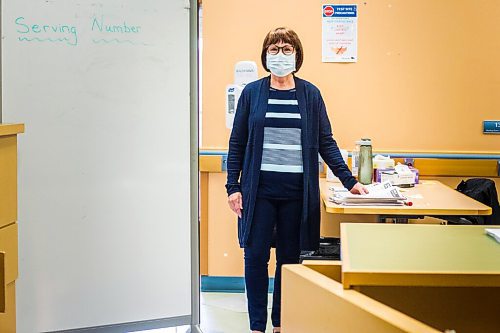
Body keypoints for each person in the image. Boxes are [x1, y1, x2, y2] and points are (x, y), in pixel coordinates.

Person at [225, 27, 368, 333]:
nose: (280, 55)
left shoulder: (310, 94)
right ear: (265, 55)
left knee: (289, 262)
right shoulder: (252, 93)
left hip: (296, 194)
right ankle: (256, 326)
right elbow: (236, 143)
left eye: (286, 49)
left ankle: (280, 324)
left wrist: (349, 181)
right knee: (255, 258)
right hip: (258, 193)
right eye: (274, 49)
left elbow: (326, 141)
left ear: (297, 55)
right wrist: (233, 187)